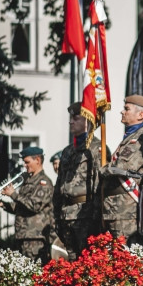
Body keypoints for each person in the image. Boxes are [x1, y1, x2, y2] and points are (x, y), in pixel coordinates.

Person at [100, 95, 143, 245]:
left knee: (125, 254)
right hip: (116, 207)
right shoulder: (129, 138)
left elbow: (121, 167)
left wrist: (102, 169)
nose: (122, 112)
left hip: (126, 209)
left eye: (127, 109)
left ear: (140, 115)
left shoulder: (140, 138)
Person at [53, 102, 105, 259]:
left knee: (87, 262)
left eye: (76, 118)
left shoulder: (97, 149)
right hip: (66, 215)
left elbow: (99, 186)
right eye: (70, 118)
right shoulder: (68, 151)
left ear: (88, 120)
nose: (71, 121)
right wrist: (56, 214)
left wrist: (97, 219)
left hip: (85, 216)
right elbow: (59, 185)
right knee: (71, 263)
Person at [0, 146, 54, 262]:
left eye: (27, 162)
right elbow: (22, 208)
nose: (25, 165)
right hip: (23, 236)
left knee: (35, 272)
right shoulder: (27, 182)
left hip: (35, 237)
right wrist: (3, 205)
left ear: (37, 160)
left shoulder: (44, 183)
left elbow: (35, 206)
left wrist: (13, 194)